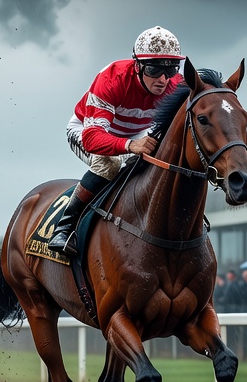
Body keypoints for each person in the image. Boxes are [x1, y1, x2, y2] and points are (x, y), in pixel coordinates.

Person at [48, 26, 185, 256]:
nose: (162, 79)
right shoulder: (112, 79)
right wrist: (131, 146)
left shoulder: (175, 85)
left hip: (137, 134)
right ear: (138, 66)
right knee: (110, 164)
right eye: (153, 69)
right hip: (87, 129)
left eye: (170, 70)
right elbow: (92, 139)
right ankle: (64, 228)